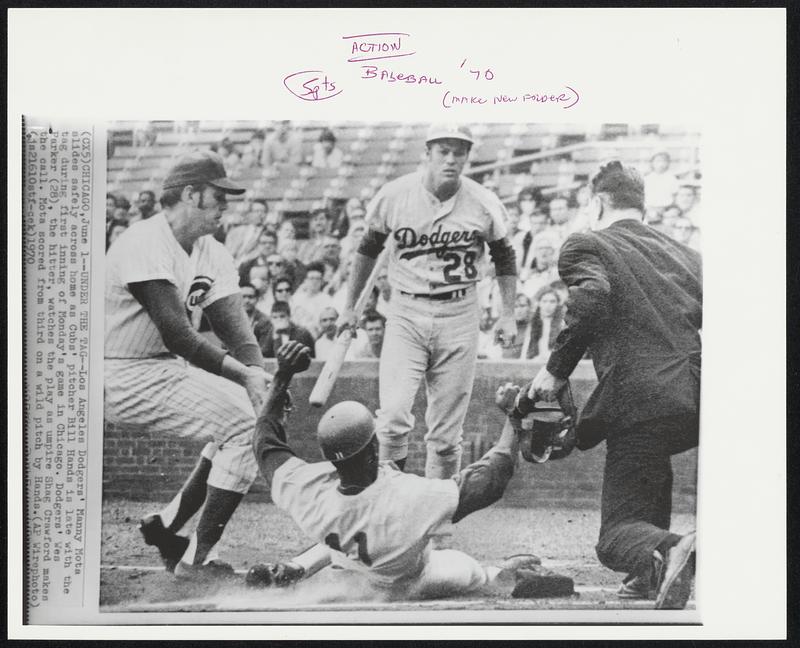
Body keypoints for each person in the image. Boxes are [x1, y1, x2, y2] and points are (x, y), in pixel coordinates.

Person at [530, 160, 702, 609]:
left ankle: (669, 549)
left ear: (598, 201)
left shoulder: (587, 242)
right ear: (640, 205)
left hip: (643, 398)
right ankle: (648, 573)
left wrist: (555, 369)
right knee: (648, 471)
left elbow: (592, 299)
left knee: (613, 539)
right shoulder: (685, 252)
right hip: (697, 394)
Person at [248, 341, 540, 598]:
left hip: (348, 575)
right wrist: (514, 415)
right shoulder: (409, 496)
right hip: (407, 584)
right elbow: (493, 477)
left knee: (343, 539)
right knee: (468, 571)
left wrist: (282, 376)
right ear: (374, 449)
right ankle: (496, 573)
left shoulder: (309, 491)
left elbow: (264, 440)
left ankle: (296, 567)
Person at [104, 151, 271, 579]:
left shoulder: (210, 250)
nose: (226, 206)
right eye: (219, 196)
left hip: (160, 367)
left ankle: (166, 527)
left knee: (245, 415)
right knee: (244, 426)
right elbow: (177, 333)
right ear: (191, 194)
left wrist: (260, 383)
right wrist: (245, 378)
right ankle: (195, 562)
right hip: (117, 371)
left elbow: (237, 331)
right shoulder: (144, 240)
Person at [338, 123, 518, 479]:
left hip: (460, 311)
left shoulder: (483, 201)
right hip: (406, 310)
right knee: (391, 419)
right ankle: (392, 505)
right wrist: (350, 305)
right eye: (443, 151)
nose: (451, 160)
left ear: (468, 156)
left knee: (447, 435)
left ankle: (437, 528)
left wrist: (508, 314)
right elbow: (367, 249)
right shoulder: (394, 195)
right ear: (427, 154)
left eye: (459, 152)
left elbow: (505, 257)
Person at [291, 261, 334, 338]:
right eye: (311, 278)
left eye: (318, 279)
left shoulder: (327, 299)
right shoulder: (296, 298)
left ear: (322, 281)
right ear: (305, 280)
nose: (314, 282)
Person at [241, 281, 273, 354]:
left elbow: (264, 349)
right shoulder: (232, 320)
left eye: (250, 297)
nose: (247, 301)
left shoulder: (265, 321)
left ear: (257, 299)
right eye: (243, 297)